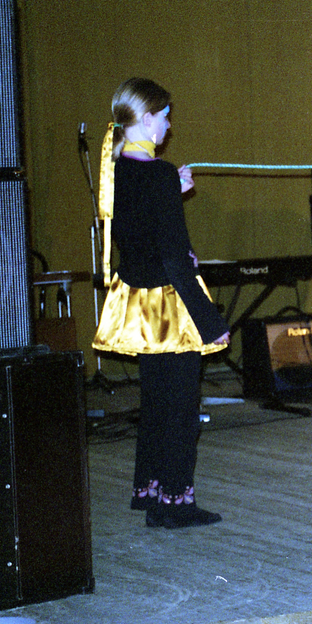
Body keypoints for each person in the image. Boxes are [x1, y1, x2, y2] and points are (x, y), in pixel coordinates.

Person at [92, 78, 231, 528]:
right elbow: (174, 258)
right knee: (180, 409)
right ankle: (176, 504)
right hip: (172, 308)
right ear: (148, 117)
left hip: (140, 308)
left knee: (156, 404)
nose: (169, 124)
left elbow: (142, 241)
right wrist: (210, 321)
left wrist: (176, 187)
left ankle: (154, 497)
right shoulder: (158, 175)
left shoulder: (120, 172)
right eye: (165, 115)